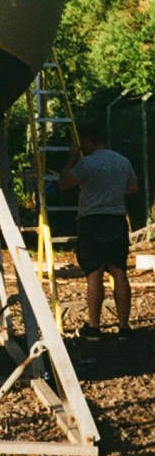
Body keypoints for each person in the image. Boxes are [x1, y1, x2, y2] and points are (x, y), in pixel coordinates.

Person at [59, 125, 138, 339]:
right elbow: (133, 188)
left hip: (92, 220)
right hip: (116, 220)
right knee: (119, 272)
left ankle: (94, 327)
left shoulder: (86, 163)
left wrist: (71, 158)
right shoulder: (122, 161)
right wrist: (113, 194)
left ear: (88, 141)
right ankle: (124, 327)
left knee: (95, 273)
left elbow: (64, 184)